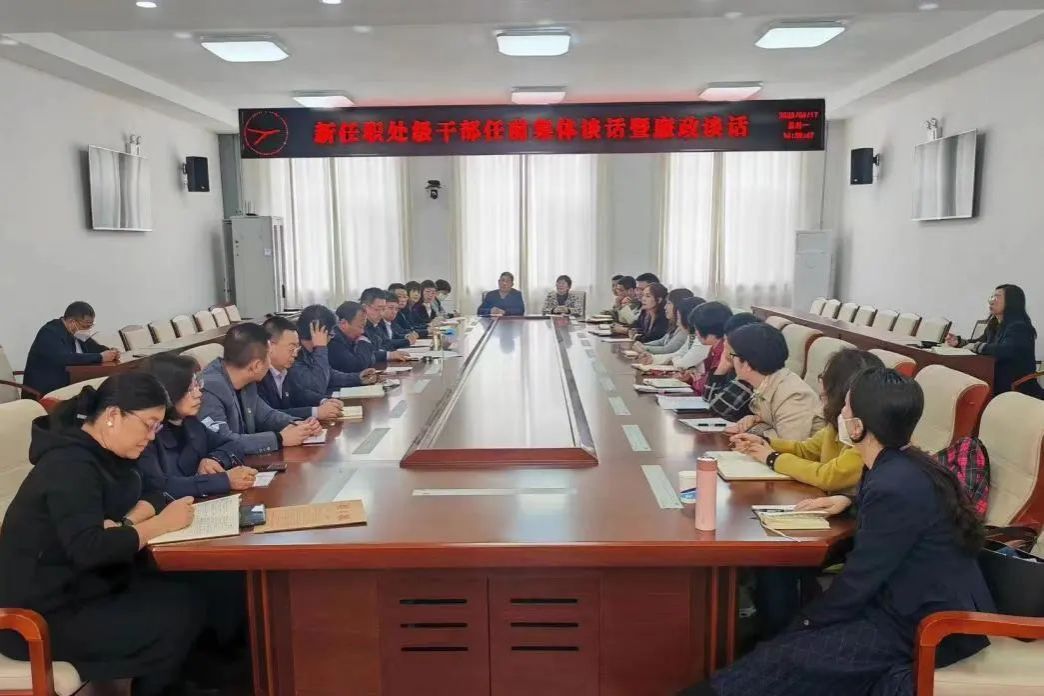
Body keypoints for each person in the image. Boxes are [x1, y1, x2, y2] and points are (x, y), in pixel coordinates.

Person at [679, 368, 994, 696]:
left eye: (846, 409)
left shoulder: (892, 483)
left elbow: (858, 582)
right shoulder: (905, 463)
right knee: (781, 650)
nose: (840, 415)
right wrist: (848, 501)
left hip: (922, 627)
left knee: (780, 659)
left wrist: (804, 622)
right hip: (907, 607)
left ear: (858, 426)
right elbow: (904, 519)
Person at [0, 373, 205, 696]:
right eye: (149, 425)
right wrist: (158, 525)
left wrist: (126, 523)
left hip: (87, 586)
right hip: (42, 615)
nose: (152, 437)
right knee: (175, 614)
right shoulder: (69, 465)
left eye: (157, 427)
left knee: (191, 591)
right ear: (113, 415)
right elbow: (89, 547)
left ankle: (169, 684)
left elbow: (154, 492)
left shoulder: (109, 452)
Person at [731, 349, 885, 493]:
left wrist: (772, 458)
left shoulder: (869, 437)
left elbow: (829, 476)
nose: (821, 386)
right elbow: (806, 450)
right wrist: (765, 442)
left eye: (824, 378)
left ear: (837, 389)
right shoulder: (838, 421)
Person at [137, 353, 255, 498]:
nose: (198, 394)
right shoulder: (147, 435)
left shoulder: (190, 422)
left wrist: (213, 460)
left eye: (197, 385)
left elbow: (232, 444)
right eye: (189, 389)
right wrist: (223, 481)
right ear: (168, 393)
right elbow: (161, 487)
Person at [198, 323, 320, 455]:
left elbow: (267, 416)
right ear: (256, 366)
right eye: (268, 356)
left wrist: (299, 424)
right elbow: (224, 441)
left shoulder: (246, 380)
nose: (270, 362)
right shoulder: (209, 388)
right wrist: (279, 439)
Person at [723, 323, 825, 441]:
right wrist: (754, 420)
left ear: (747, 364)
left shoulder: (793, 396)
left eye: (733, 355)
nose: (731, 361)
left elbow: (788, 445)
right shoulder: (767, 383)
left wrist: (755, 428)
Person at [946, 283, 1044, 397]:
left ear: (1011, 302)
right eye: (992, 297)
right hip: (995, 377)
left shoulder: (1020, 327)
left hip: (1016, 386)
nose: (991, 301)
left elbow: (1004, 351)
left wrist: (977, 346)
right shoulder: (993, 324)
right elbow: (979, 341)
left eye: (997, 297)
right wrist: (960, 342)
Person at [288, 305, 380, 406]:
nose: (331, 337)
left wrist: (358, 378)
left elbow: (330, 375)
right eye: (331, 334)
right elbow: (318, 387)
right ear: (318, 332)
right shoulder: (295, 355)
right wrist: (321, 347)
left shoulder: (311, 351)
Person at [22, 301, 120, 395]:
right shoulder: (49, 332)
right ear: (72, 322)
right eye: (85, 326)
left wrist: (110, 351)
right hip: (46, 389)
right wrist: (100, 357)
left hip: (68, 383)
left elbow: (94, 347)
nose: (88, 330)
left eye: (90, 326)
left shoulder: (77, 332)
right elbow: (67, 358)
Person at [259, 316, 344, 420]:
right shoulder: (259, 376)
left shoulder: (285, 370)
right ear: (270, 346)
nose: (295, 354)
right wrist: (315, 412)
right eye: (291, 348)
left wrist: (324, 400)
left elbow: (300, 394)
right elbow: (269, 415)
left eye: (297, 348)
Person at [704, 313, 761, 422]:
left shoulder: (750, 371)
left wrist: (722, 367)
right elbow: (707, 400)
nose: (724, 344)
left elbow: (717, 409)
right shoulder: (732, 366)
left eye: (726, 340)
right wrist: (721, 369)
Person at [679, 301, 733, 395]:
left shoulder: (725, 351)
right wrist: (692, 378)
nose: (696, 332)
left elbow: (709, 386)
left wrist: (696, 381)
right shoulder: (715, 347)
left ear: (705, 328)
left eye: (696, 328)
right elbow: (708, 377)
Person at [641, 297, 708, 369]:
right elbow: (680, 353)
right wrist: (653, 358)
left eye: (679, 318)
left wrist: (674, 360)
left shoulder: (702, 341)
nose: (677, 323)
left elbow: (683, 363)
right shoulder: (692, 336)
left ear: (688, 319)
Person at [634, 288, 694, 355]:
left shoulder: (684, 329)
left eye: (669, 303)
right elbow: (661, 341)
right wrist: (643, 345)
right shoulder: (674, 324)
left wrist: (644, 348)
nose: (665, 307)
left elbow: (668, 350)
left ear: (679, 306)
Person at [359, 288, 411, 362]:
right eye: (377, 309)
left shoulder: (375, 325)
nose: (381, 313)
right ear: (365, 308)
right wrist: (388, 355)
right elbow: (366, 354)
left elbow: (387, 343)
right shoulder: (359, 327)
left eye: (383, 309)